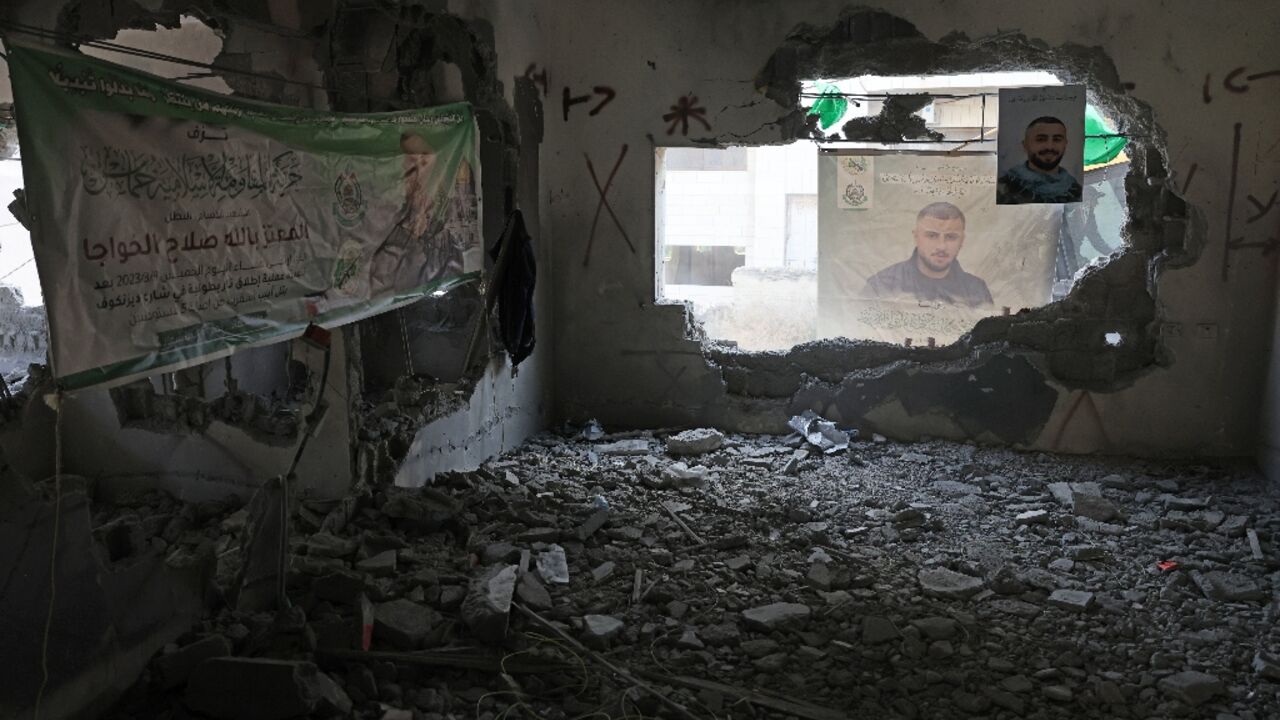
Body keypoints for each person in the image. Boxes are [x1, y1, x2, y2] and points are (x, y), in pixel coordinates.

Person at [862, 201, 993, 307]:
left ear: (962, 241)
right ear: (916, 237)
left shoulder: (977, 290)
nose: (941, 246)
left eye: (951, 237)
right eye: (932, 236)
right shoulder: (881, 285)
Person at [997, 115, 1082, 204]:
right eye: (1041, 139)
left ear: (1065, 145)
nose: (1049, 147)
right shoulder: (1004, 188)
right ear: (1025, 145)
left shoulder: (1075, 191)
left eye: (1057, 140)